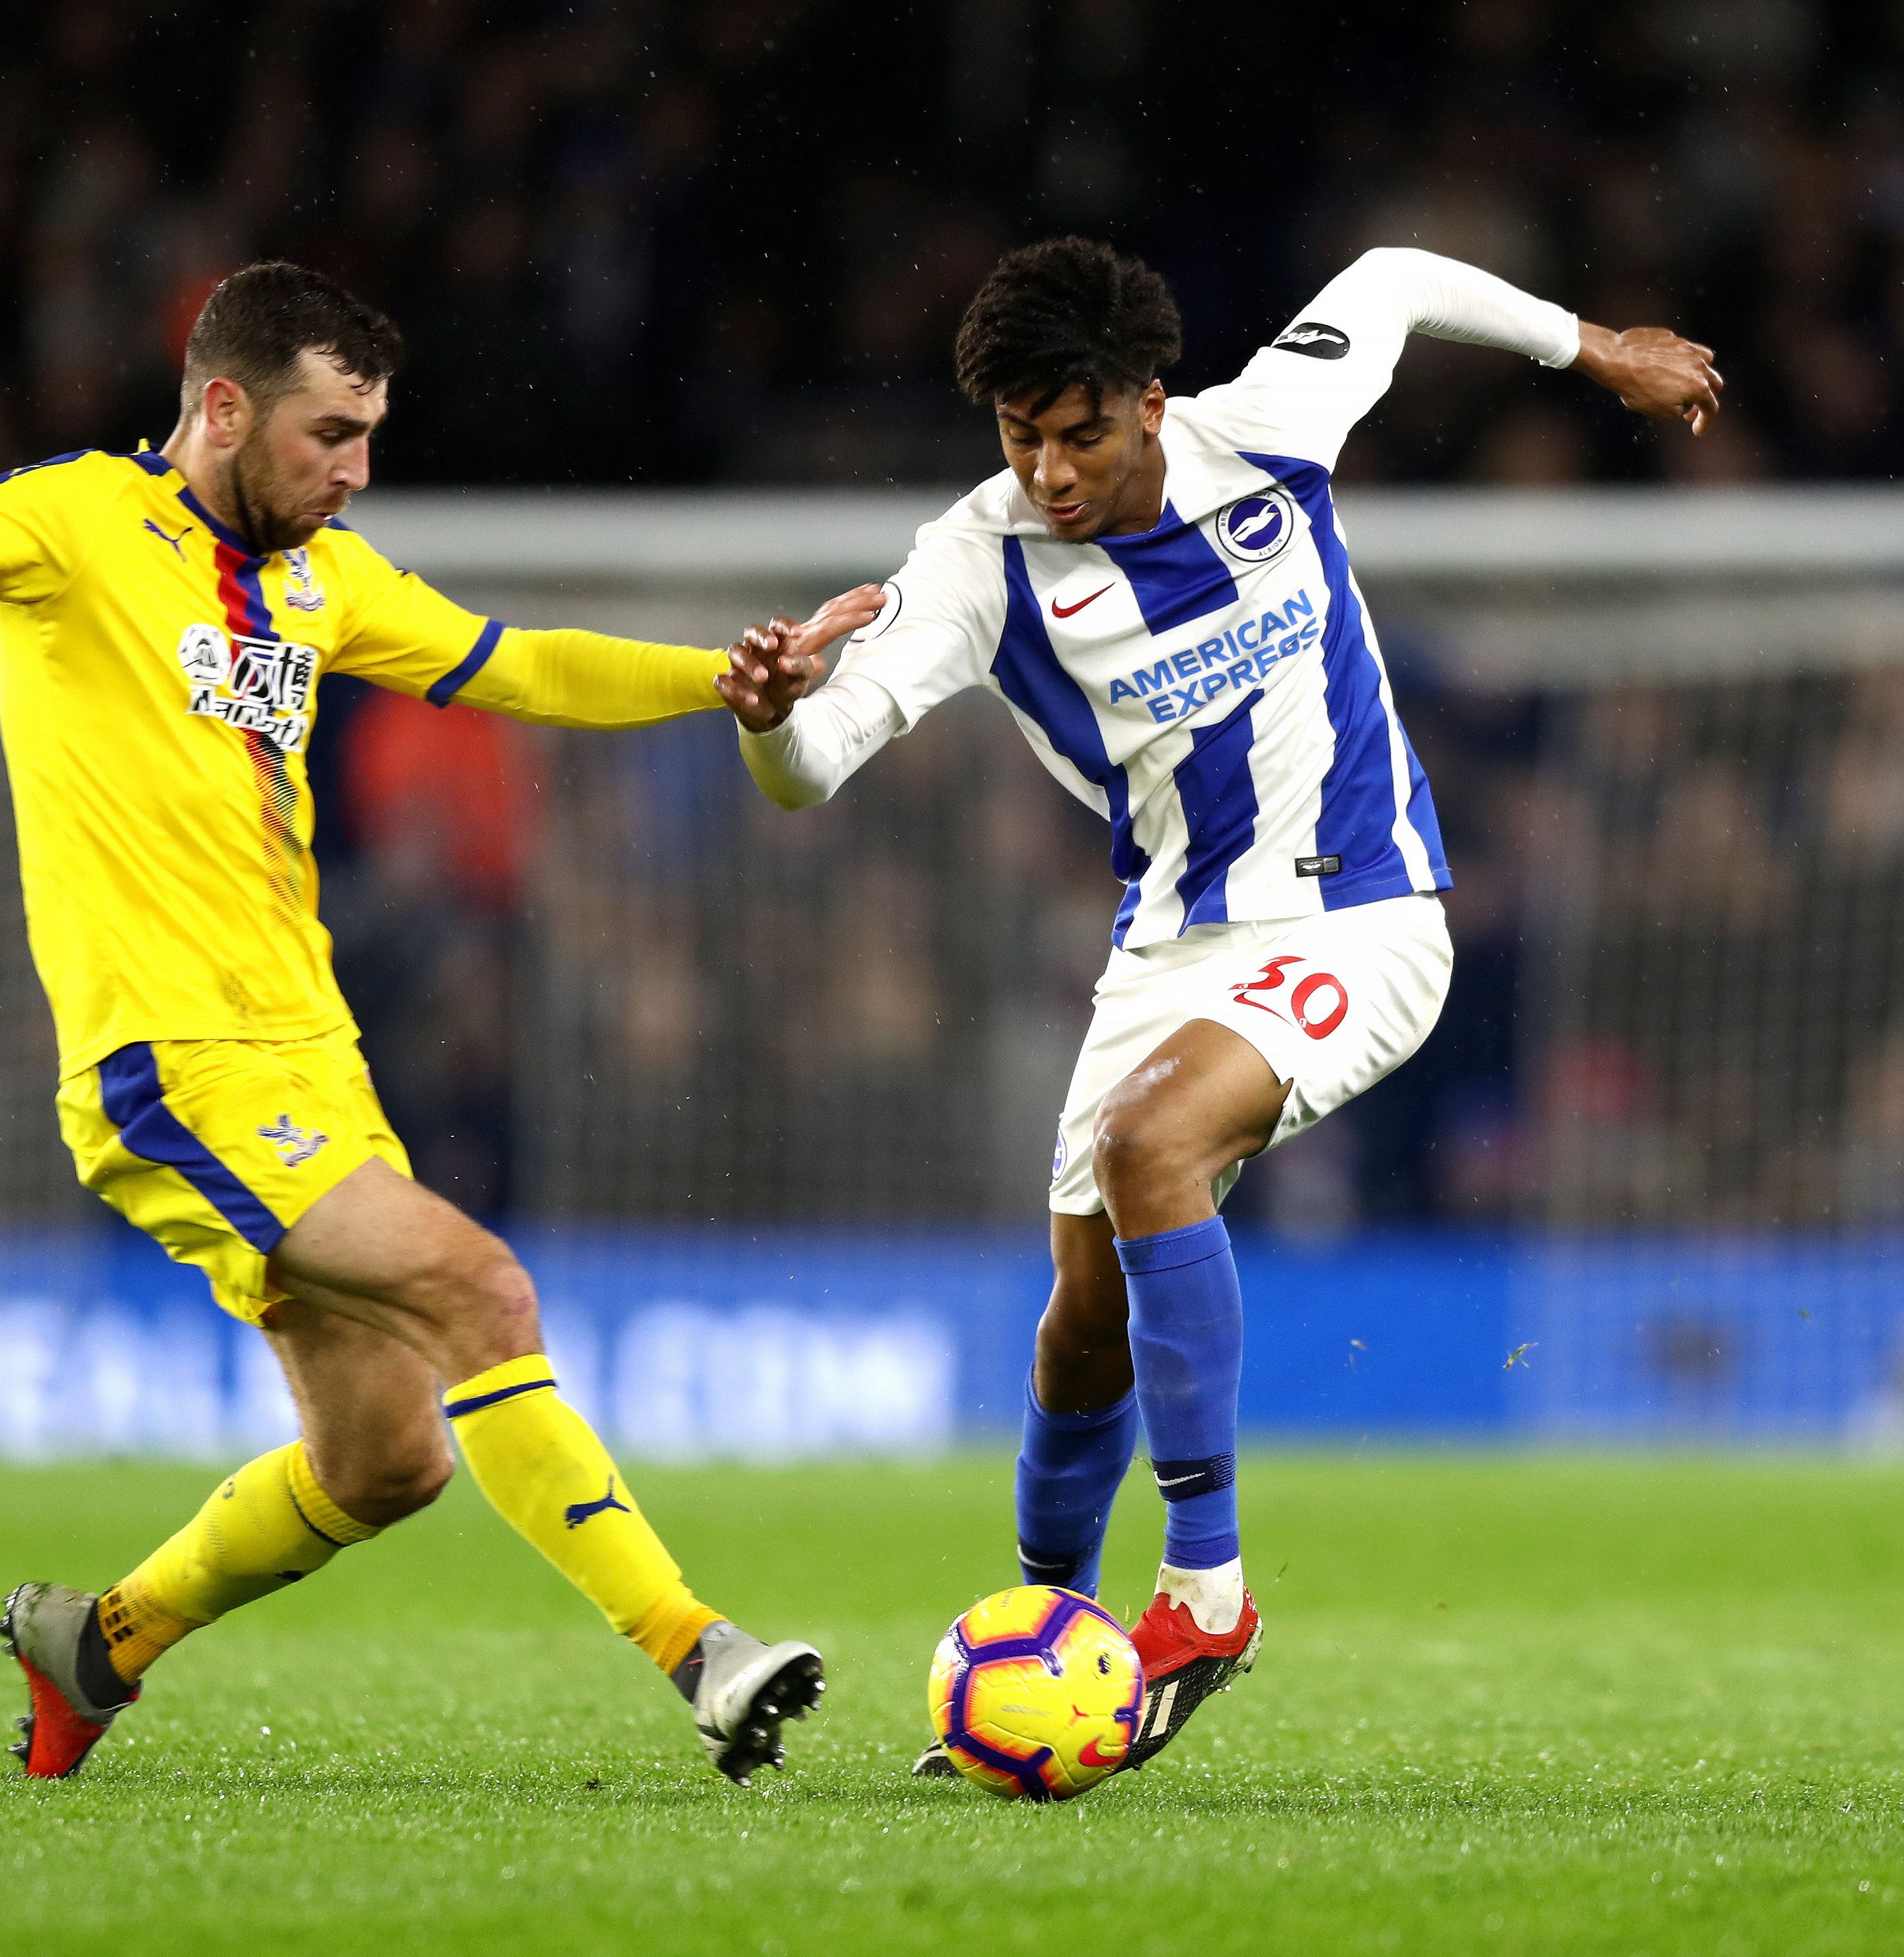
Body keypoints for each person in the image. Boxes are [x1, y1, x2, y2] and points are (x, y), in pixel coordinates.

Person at [0, 261, 825, 1785]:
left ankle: (98, 1643)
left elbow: (518, 665)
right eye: (329, 434)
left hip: (314, 1062)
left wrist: (722, 681)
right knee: (485, 1295)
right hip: (167, 1067)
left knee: (386, 1462)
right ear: (224, 406)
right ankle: (699, 1653)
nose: (355, 470)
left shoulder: (328, 579)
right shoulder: (71, 522)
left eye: (369, 435)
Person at [719, 238, 1719, 1775]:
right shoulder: (977, 563)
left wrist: (1590, 348)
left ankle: (1207, 1592)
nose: (1047, 472)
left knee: (1146, 1150)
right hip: (1169, 951)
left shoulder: (1267, 433)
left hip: (1367, 914)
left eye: (1078, 433)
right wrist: (775, 718)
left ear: (1149, 402)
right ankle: (1056, 1634)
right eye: (1018, 437)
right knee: (1076, 1334)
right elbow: (816, 769)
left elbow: (1390, 279)